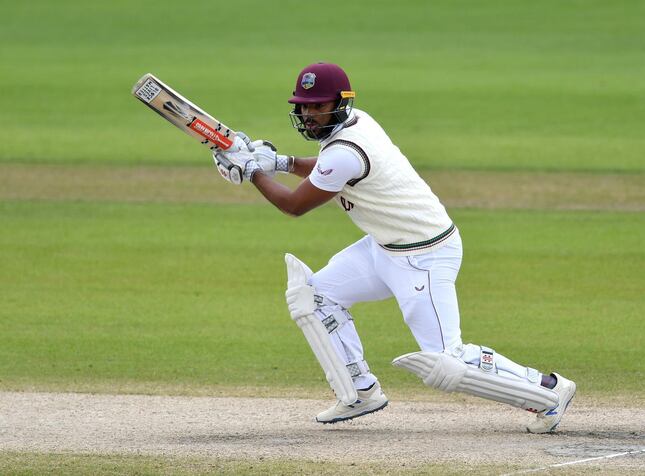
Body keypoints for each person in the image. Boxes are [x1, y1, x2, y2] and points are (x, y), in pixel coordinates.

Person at [211, 62, 576, 432]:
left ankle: (548, 391)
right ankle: (359, 391)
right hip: (383, 248)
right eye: (304, 106)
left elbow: (294, 205)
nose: (309, 114)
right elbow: (325, 167)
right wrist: (280, 162)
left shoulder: (345, 151)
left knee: (446, 362)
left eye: (317, 106)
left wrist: (253, 172)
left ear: (340, 103)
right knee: (314, 296)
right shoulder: (356, 124)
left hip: (424, 257)